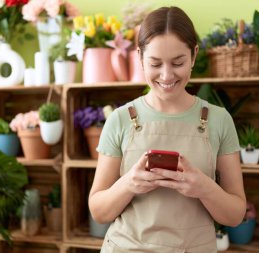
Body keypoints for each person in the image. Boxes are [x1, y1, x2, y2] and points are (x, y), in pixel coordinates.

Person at [88, 6, 246, 253]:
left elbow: (235, 215)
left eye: (178, 62)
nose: (166, 75)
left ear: (194, 55)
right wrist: (130, 183)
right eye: (155, 63)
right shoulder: (120, 119)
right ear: (139, 56)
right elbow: (99, 211)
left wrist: (203, 187)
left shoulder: (218, 120)